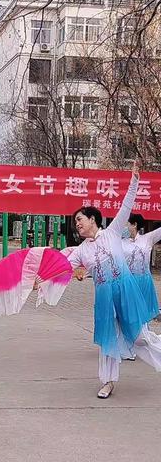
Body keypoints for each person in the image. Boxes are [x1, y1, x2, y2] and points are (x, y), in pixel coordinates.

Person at [67, 162, 161, 399]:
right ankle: (107, 382)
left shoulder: (112, 233)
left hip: (127, 293)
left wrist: (135, 181)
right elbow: (64, 267)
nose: (77, 224)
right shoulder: (81, 251)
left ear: (92, 219)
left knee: (140, 339)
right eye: (75, 221)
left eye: (80, 219)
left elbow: (126, 205)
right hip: (105, 300)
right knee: (108, 342)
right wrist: (42, 279)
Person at [122, 213, 161, 321]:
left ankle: (144, 335)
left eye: (127, 224)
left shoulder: (147, 238)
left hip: (144, 281)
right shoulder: (120, 242)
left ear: (134, 225)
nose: (124, 227)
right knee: (129, 313)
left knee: (143, 314)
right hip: (128, 281)